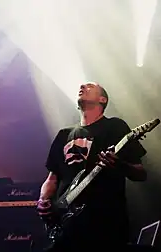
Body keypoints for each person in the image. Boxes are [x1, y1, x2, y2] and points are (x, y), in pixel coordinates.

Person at [37, 82, 147, 251]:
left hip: (105, 222)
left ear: (102, 99)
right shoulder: (63, 134)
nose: (82, 86)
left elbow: (140, 174)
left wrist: (119, 165)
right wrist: (43, 200)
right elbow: (52, 178)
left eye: (90, 86)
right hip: (66, 225)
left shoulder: (115, 126)